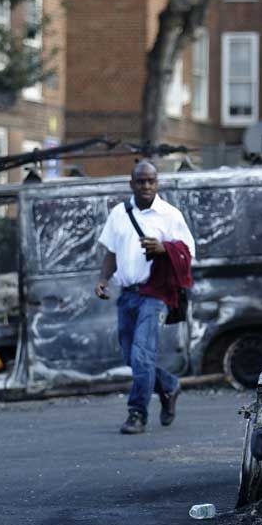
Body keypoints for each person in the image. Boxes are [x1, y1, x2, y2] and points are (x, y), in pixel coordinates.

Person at [95, 160, 195, 434]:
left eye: (151, 181)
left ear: (157, 183)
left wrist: (164, 248)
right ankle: (169, 386)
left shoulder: (169, 214)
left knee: (142, 355)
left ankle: (137, 413)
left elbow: (188, 252)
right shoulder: (119, 213)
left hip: (155, 295)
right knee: (131, 357)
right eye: (141, 181)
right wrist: (103, 279)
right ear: (132, 184)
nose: (146, 186)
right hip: (127, 295)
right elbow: (111, 252)